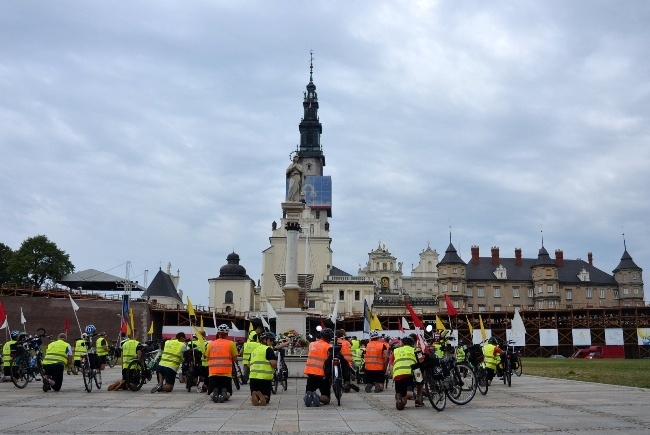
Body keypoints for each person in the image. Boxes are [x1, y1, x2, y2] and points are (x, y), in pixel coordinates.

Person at [205, 324, 238, 403]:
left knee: (211, 393)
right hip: (226, 373)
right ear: (227, 334)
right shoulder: (231, 344)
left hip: (213, 373)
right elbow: (235, 358)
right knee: (228, 393)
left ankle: (214, 394)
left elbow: (207, 357)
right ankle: (224, 394)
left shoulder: (211, 344)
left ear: (218, 334)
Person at [303, 327, 333, 407]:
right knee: (326, 398)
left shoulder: (312, 344)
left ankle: (310, 395)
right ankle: (318, 397)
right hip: (323, 375)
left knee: (308, 393)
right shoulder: (329, 347)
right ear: (330, 338)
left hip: (310, 373)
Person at [249, 331, 278, 406]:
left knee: (254, 391)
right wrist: (275, 367)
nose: (272, 342)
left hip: (253, 378)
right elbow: (273, 363)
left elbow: (248, 364)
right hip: (265, 378)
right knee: (266, 396)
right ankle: (264, 396)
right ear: (266, 340)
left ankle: (255, 396)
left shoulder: (254, 350)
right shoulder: (268, 349)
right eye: (271, 340)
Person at [392, 336, 417, 410]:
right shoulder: (414, 350)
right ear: (413, 344)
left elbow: (391, 365)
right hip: (410, 375)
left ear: (402, 343)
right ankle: (419, 398)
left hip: (398, 375)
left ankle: (399, 397)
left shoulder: (395, 351)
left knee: (403, 396)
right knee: (417, 384)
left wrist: (393, 376)